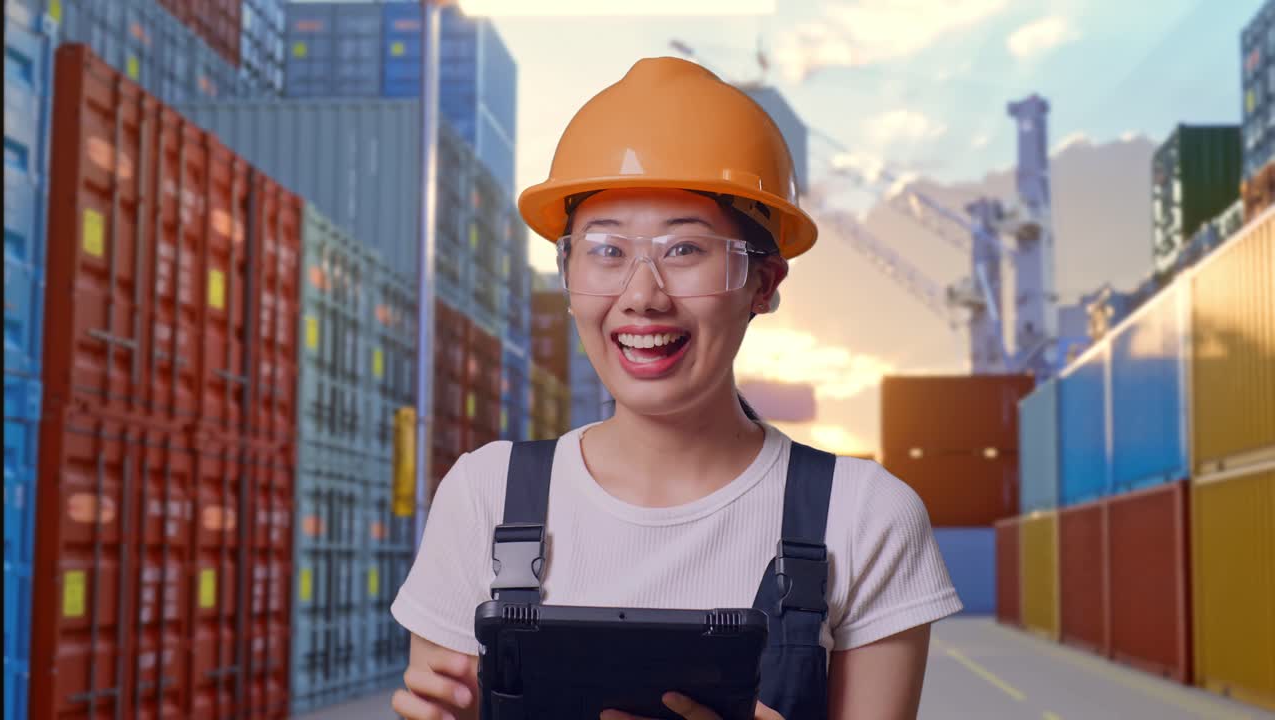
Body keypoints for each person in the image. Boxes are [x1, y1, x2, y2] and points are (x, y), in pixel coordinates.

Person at [391, 57, 962, 720]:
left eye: (684, 250)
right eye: (606, 250)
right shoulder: (484, 497)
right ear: (567, 275)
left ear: (764, 283)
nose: (641, 297)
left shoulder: (866, 520)